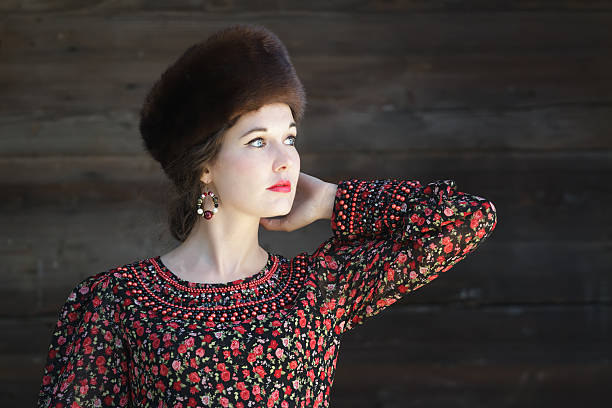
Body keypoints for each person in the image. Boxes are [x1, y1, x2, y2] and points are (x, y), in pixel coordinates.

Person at [36, 24, 498, 408]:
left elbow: (467, 219)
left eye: (290, 138)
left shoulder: (320, 289)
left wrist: (334, 201)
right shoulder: (115, 302)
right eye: (258, 141)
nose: (286, 161)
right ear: (204, 165)